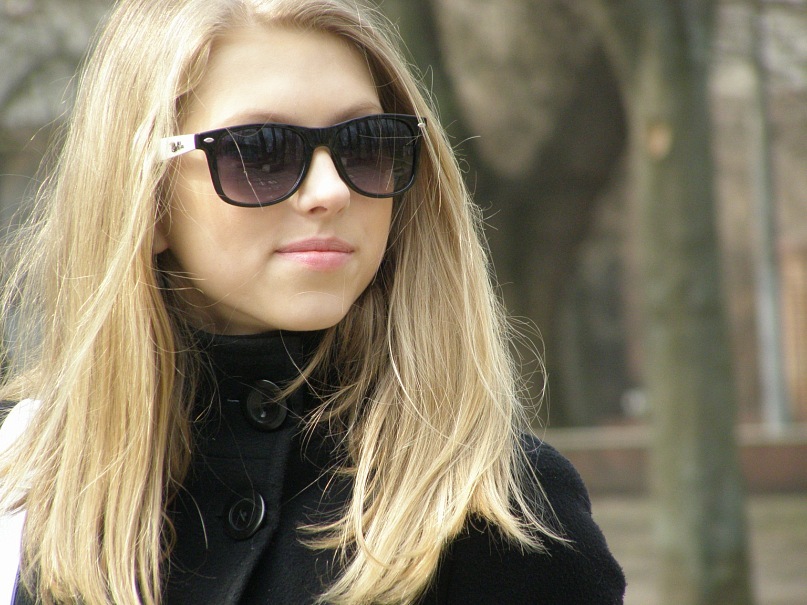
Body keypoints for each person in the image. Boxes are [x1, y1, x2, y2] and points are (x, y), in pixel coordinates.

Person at [0, 0, 626, 603]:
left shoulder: (507, 510)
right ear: (149, 197)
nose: (331, 190)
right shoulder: (25, 482)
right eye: (259, 150)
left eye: (366, 145)